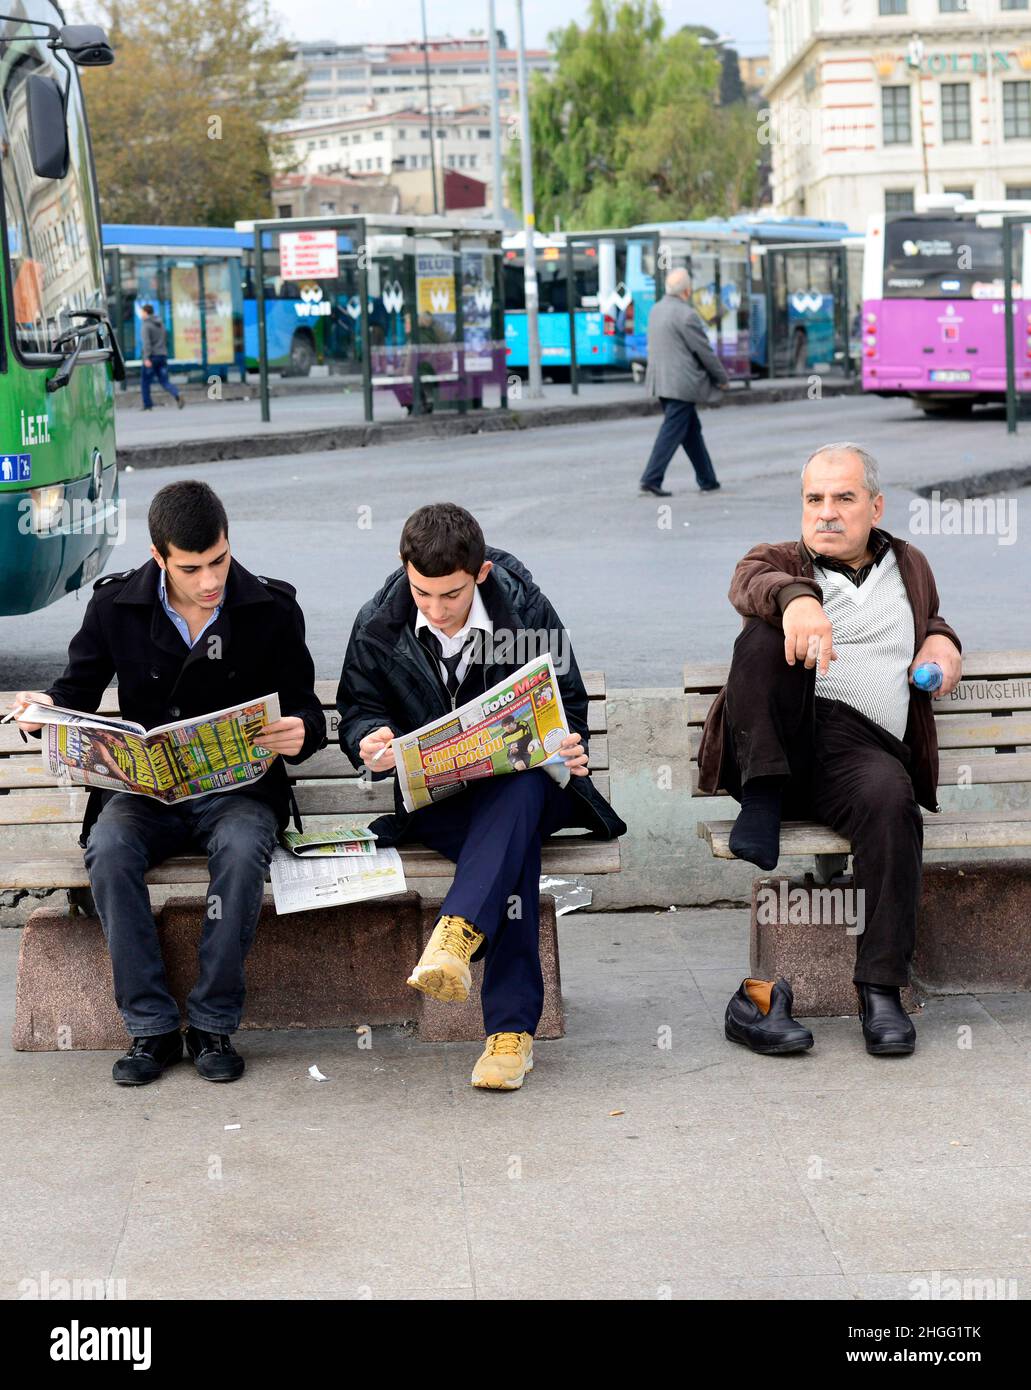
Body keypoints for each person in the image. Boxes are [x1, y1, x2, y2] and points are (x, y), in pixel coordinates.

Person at [12, 481, 325, 1086]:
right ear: (159, 557)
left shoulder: (272, 608)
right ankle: (151, 1028)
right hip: (145, 791)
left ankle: (212, 1023)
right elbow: (75, 690)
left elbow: (308, 709)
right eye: (192, 567)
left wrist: (300, 731)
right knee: (107, 851)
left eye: (220, 561)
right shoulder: (115, 607)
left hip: (238, 790)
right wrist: (43, 711)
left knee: (240, 853)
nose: (210, 580)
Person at [336, 503, 627, 1091]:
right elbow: (357, 706)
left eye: (452, 595)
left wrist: (567, 743)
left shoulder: (526, 612)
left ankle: (458, 933)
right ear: (404, 568)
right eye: (423, 593)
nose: (438, 611)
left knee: (519, 785)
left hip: (534, 792)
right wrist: (369, 740)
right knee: (509, 854)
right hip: (439, 803)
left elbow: (567, 699)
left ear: (482, 574)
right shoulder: (378, 623)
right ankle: (509, 1036)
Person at [697, 443, 962, 1058]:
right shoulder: (782, 560)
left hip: (861, 750)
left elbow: (934, 621)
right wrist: (798, 599)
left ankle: (880, 991)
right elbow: (750, 582)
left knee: (892, 802)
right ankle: (763, 799)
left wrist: (943, 648)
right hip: (784, 737)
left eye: (843, 498)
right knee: (763, 639)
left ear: (875, 505)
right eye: (814, 499)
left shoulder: (910, 564)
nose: (827, 513)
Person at [639, 267, 728, 498]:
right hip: (682, 384)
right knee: (672, 431)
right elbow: (703, 351)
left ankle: (708, 480)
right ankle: (651, 478)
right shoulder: (686, 315)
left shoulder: (656, 310)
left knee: (691, 432)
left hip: (661, 381)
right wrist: (721, 377)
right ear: (687, 291)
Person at [139, 303, 184, 412]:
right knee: (164, 381)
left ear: (146, 312)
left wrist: (146, 358)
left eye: (142, 312)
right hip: (162, 356)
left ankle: (147, 405)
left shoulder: (146, 325)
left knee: (145, 382)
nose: (141, 314)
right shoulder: (160, 324)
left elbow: (147, 344)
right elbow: (165, 339)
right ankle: (176, 393)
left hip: (152, 357)